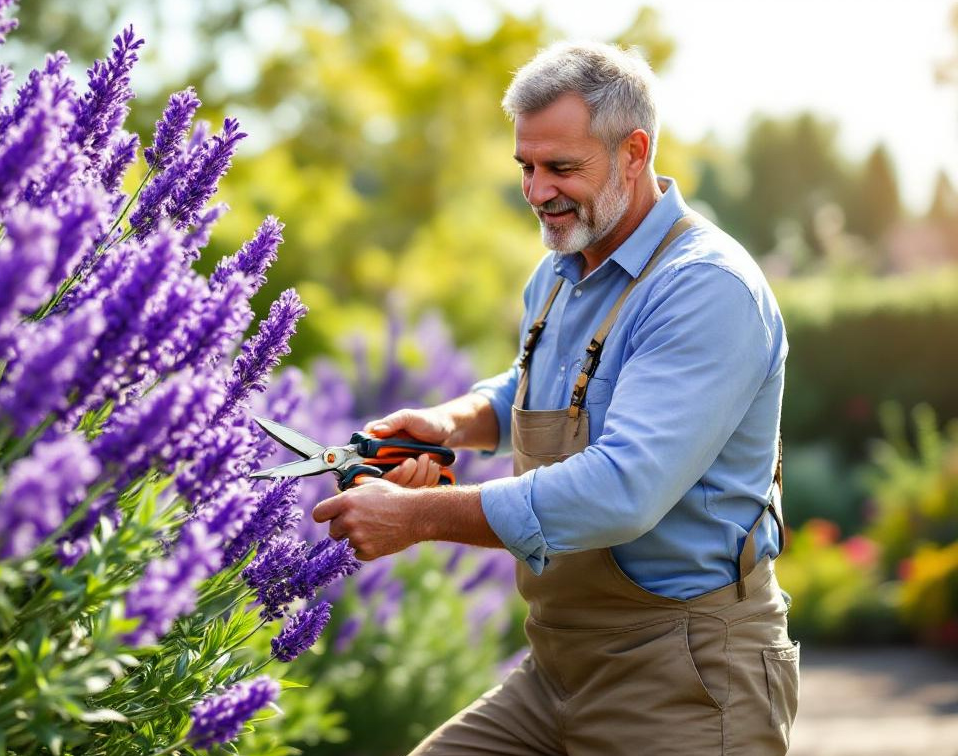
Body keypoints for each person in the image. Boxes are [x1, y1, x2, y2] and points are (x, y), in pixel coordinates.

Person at [310, 41, 798, 755]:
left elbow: (623, 490)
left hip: (685, 674)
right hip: (555, 669)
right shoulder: (560, 271)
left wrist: (418, 517)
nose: (537, 191)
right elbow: (535, 388)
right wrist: (448, 423)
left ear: (634, 153)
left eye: (561, 167)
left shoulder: (705, 289)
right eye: (526, 167)